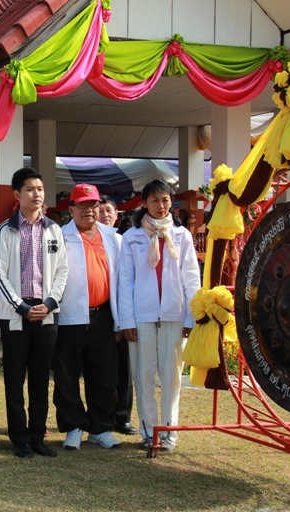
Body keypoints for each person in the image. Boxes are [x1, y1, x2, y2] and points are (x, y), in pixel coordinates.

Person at [118, 179, 200, 451]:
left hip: (173, 314)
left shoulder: (181, 235)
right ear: (144, 203)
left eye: (165, 200)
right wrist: (126, 320)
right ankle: (147, 431)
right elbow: (125, 281)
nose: (160, 206)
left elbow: (191, 278)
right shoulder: (131, 237)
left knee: (171, 376)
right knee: (143, 375)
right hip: (142, 316)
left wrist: (191, 317)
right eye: (154, 200)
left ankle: (169, 432)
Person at [0, 167, 68, 458]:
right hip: (16, 313)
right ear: (17, 194)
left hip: (46, 312)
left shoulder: (53, 229)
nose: (37, 194)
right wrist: (21, 307)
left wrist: (49, 303)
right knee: (14, 379)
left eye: (40, 189)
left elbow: (63, 271)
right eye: (30, 189)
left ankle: (38, 436)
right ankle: (20, 438)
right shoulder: (4, 230)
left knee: (40, 379)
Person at [54, 184, 122, 451]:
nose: (88, 210)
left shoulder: (113, 237)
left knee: (104, 375)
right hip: (69, 315)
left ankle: (100, 428)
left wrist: (121, 319)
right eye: (81, 205)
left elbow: (122, 280)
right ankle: (73, 426)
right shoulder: (60, 236)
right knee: (67, 375)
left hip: (103, 315)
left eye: (92, 205)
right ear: (71, 208)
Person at [98, 195, 137, 436]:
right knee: (101, 369)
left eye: (109, 211)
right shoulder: (90, 240)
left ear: (116, 215)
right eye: (100, 211)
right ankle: (99, 416)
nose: (104, 215)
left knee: (125, 368)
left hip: (124, 313)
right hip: (100, 312)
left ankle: (122, 417)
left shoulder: (125, 241)